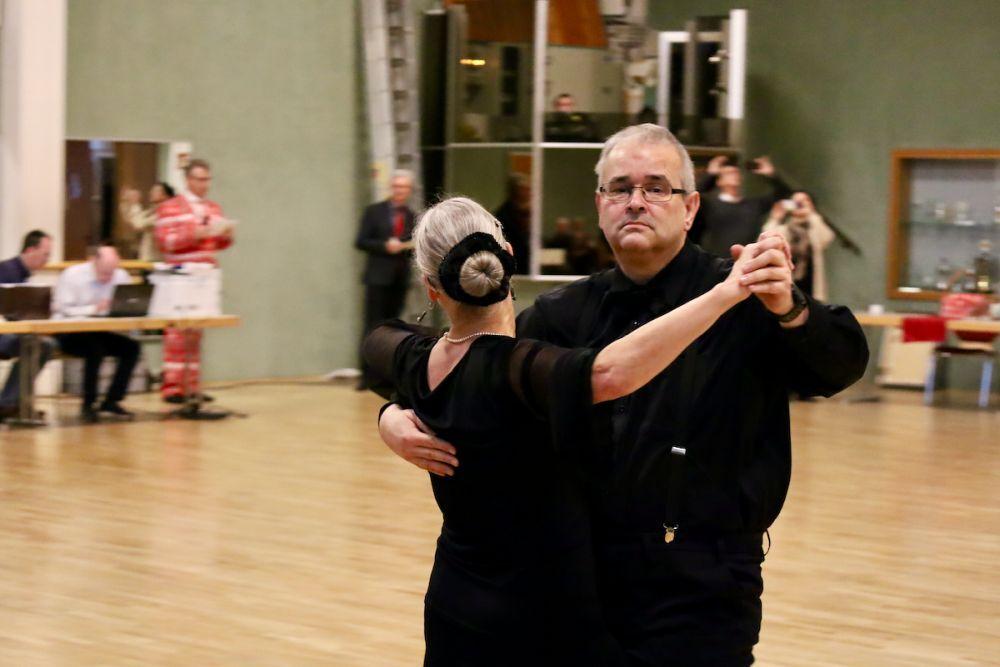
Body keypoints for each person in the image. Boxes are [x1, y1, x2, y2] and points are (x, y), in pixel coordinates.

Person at [379, 124, 869, 664]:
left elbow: (840, 367)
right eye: (619, 188)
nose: (636, 201)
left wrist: (791, 308)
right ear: (599, 205)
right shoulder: (559, 314)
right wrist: (394, 415)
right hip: (583, 585)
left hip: (702, 585)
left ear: (690, 208)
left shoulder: (747, 296)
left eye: (656, 187)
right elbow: (474, 375)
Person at [363, 196, 762, 665]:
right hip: (541, 613)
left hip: (455, 603)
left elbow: (376, 341)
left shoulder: (419, 362)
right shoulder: (518, 369)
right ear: (508, 256)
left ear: (430, 288)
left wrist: (389, 415)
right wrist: (726, 293)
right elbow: (610, 372)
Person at [155, 159, 233, 403]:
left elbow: (218, 244)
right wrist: (192, 234)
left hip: (205, 275)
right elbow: (164, 241)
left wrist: (226, 235)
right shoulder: (170, 207)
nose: (204, 184)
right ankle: (173, 388)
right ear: (188, 180)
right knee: (177, 333)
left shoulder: (213, 207)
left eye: (207, 179)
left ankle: (192, 386)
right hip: (181, 275)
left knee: (196, 333)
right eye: (200, 179)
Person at [53, 245, 140, 423]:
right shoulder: (72, 275)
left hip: (98, 331)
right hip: (67, 332)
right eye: (104, 272)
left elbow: (129, 302)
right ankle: (88, 403)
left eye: (111, 272)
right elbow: (63, 309)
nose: (108, 277)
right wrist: (93, 308)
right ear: (93, 261)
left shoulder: (121, 276)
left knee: (132, 348)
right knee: (95, 350)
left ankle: (112, 400)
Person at [354, 169, 417, 390]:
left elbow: (414, 245)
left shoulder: (412, 216)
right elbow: (361, 241)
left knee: (392, 328)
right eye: (397, 186)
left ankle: (386, 375)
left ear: (409, 190)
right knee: (372, 326)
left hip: (399, 279)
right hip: (377, 278)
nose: (400, 191)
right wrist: (384, 246)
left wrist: (407, 247)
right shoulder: (374, 212)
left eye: (404, 187)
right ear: (391, 187)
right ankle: (366, 375)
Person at [0, 230, 56, 422]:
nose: (46, 260)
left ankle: (11, 403)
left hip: (9, 332)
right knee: (39, 345)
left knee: (42, 344)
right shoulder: (7, 271)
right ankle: (8, 403)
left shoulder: (20, 274)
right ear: (30, 250)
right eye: (45, 254)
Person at [692, 154, 792, 257]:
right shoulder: (708, 203)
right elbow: (691, 197)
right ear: (719, 181)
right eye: (729, 173)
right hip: (715, 260)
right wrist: (710, 175)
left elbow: (785, 194)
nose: (735, 175)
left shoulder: (755, 204)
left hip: (747, 260)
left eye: (737, 173)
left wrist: (771, 175)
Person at [762, 191, 835, 301]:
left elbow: (827, 238)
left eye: (805, 200)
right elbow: (767, 240)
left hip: (811, 286)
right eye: (796, 201)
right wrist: (775, 218)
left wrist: (811, 214)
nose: (800, 203)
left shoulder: (814, 227)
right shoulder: (785, 229)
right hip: (789, 284)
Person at [492, 173, 532, 275]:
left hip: (526, 267)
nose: (529, 193)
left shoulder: (529, 213)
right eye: (524, 189)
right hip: (512, 267)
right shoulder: (503, 215)